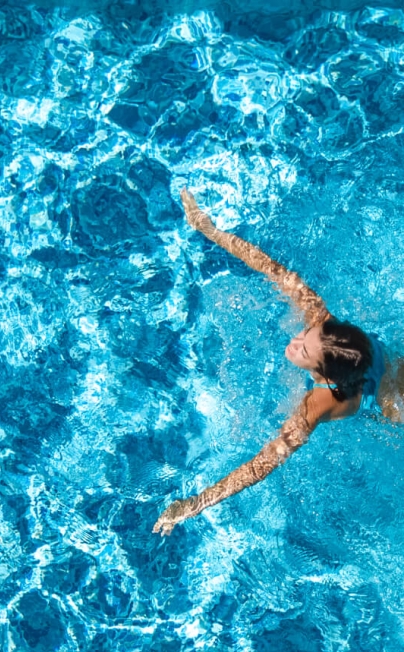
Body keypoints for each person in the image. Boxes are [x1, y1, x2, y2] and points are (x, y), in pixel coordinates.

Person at [153, 189, 402, 536]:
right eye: (306, 336)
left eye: (303, 351)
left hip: (393, 402)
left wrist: (193, 505)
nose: (294, 342)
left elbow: (260, 466)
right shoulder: (323, 323)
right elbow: (268, 266)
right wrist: (209, 230)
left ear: (324, 374)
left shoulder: (320, 401)